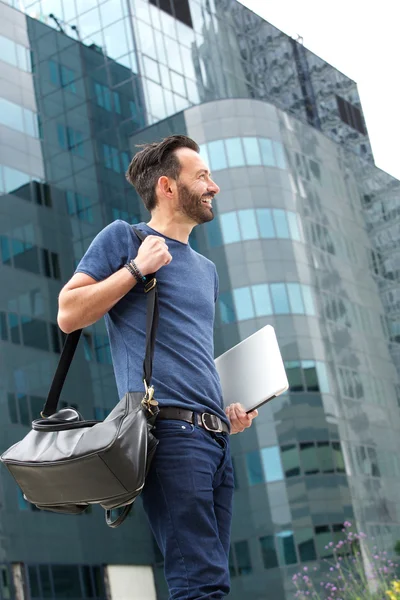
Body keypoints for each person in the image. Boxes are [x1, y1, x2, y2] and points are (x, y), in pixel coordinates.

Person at [57, 135, 258, 599]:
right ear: (168, 187)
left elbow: (187, 354)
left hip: (216, 439)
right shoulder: (125, 239)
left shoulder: (206, 269)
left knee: (212, 579)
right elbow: (68, 312)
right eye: (202, 176)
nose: (215, 186)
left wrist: (225, 410)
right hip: (170, 435)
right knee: (199, 583)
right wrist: (135, 270)